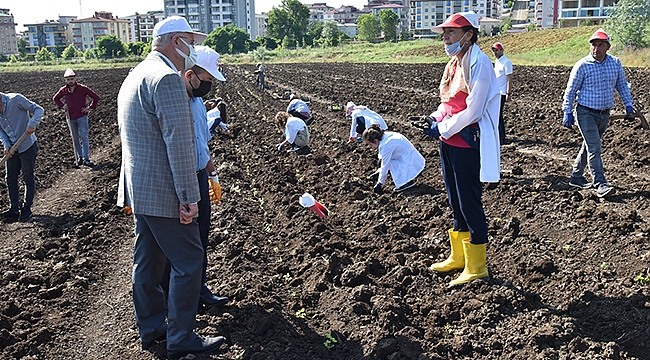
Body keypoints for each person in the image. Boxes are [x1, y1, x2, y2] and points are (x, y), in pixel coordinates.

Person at [116, 16, 224, 359]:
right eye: (189, 41)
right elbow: (178, 146)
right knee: (189, 260)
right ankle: (181, 337)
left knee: (147, 261)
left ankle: (151, 327)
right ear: (176, 41)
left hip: (140, 188)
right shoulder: (166, 80)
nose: (192, 49)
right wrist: (189, 198)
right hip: (164, 191)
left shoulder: (135, 75)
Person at [423, 11, 500, 286]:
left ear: (468, 35)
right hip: (449, 141)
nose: (445, 38)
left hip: (468, 141)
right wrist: (434, 118)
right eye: (444, 33)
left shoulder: (480, 64)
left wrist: (442, 127)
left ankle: (477, 265)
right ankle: (459, 257)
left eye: (451, 33)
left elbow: (474, 111)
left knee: (470, 202)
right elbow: (448, 102)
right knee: (455, 201)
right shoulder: (454, 62)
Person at [180, 45, 229, 308]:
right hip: (185, 179)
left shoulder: (198, 103)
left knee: (201, 236)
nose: (209, 86)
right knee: (187, 241)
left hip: (200, 175)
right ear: (191, 75)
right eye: (208, 79)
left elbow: (203, 143)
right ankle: (184, 297)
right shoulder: (178, 103)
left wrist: (213, 174)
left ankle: (200, 289)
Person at [562, 28, 635, 198]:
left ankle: (576, 176)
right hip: (585, 112)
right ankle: (600, 184)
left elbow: (622, 85)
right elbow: (571, 90)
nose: (596, 48)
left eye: (600, 45)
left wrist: (628, 105)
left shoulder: (615, 63)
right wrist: (567, 111)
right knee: (595, 147)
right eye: (593, 45)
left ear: (607, 47)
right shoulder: (582, 65)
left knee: (588, 146)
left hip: (604, 114)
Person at [0, 92, 43, 223]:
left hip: (27, 145)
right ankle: (14, 209)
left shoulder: (15, 100)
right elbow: (0, 131)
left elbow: (38, 109)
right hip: (12, 148)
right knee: (10, 178)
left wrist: (32, 123)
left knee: (27, 176)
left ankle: (26, 209)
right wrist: (6, 144)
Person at [52, 68, 101, 167]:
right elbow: (55, 98)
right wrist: (62, 106)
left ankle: (86, 158)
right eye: (68, 79)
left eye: (72, 79)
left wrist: (89, 108)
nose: (70, 81)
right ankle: (80, 158)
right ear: (66, 80)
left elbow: (95, 97)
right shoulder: (64, 90)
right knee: (75, 138)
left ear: (75, 79)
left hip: (82, 116)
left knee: (84, 137)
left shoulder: (82, 88)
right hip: (70, 117)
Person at [362, 124, 425, 193]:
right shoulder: (386, 136)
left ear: (375, 140)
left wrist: (379, 183)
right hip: (413, 159)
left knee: (386, 163)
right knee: (382, 161)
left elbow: (385, 165)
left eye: (370, 144)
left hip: (411, 163)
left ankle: (406, 182)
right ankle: (407, 178)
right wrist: (378, 172)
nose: (370, 147)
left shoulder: (386, 145)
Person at [491, 42, 513, 144]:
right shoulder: (497, 61)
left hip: (502, 93)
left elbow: (509, 78)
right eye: (494, 50)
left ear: (502, 50)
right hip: (496, 92)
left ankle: (502, 137)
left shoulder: (506, 62)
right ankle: (498, 135)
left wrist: (508, 93)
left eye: (497, 50)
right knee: (495, 115)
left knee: (498, 115)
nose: (495, 52)